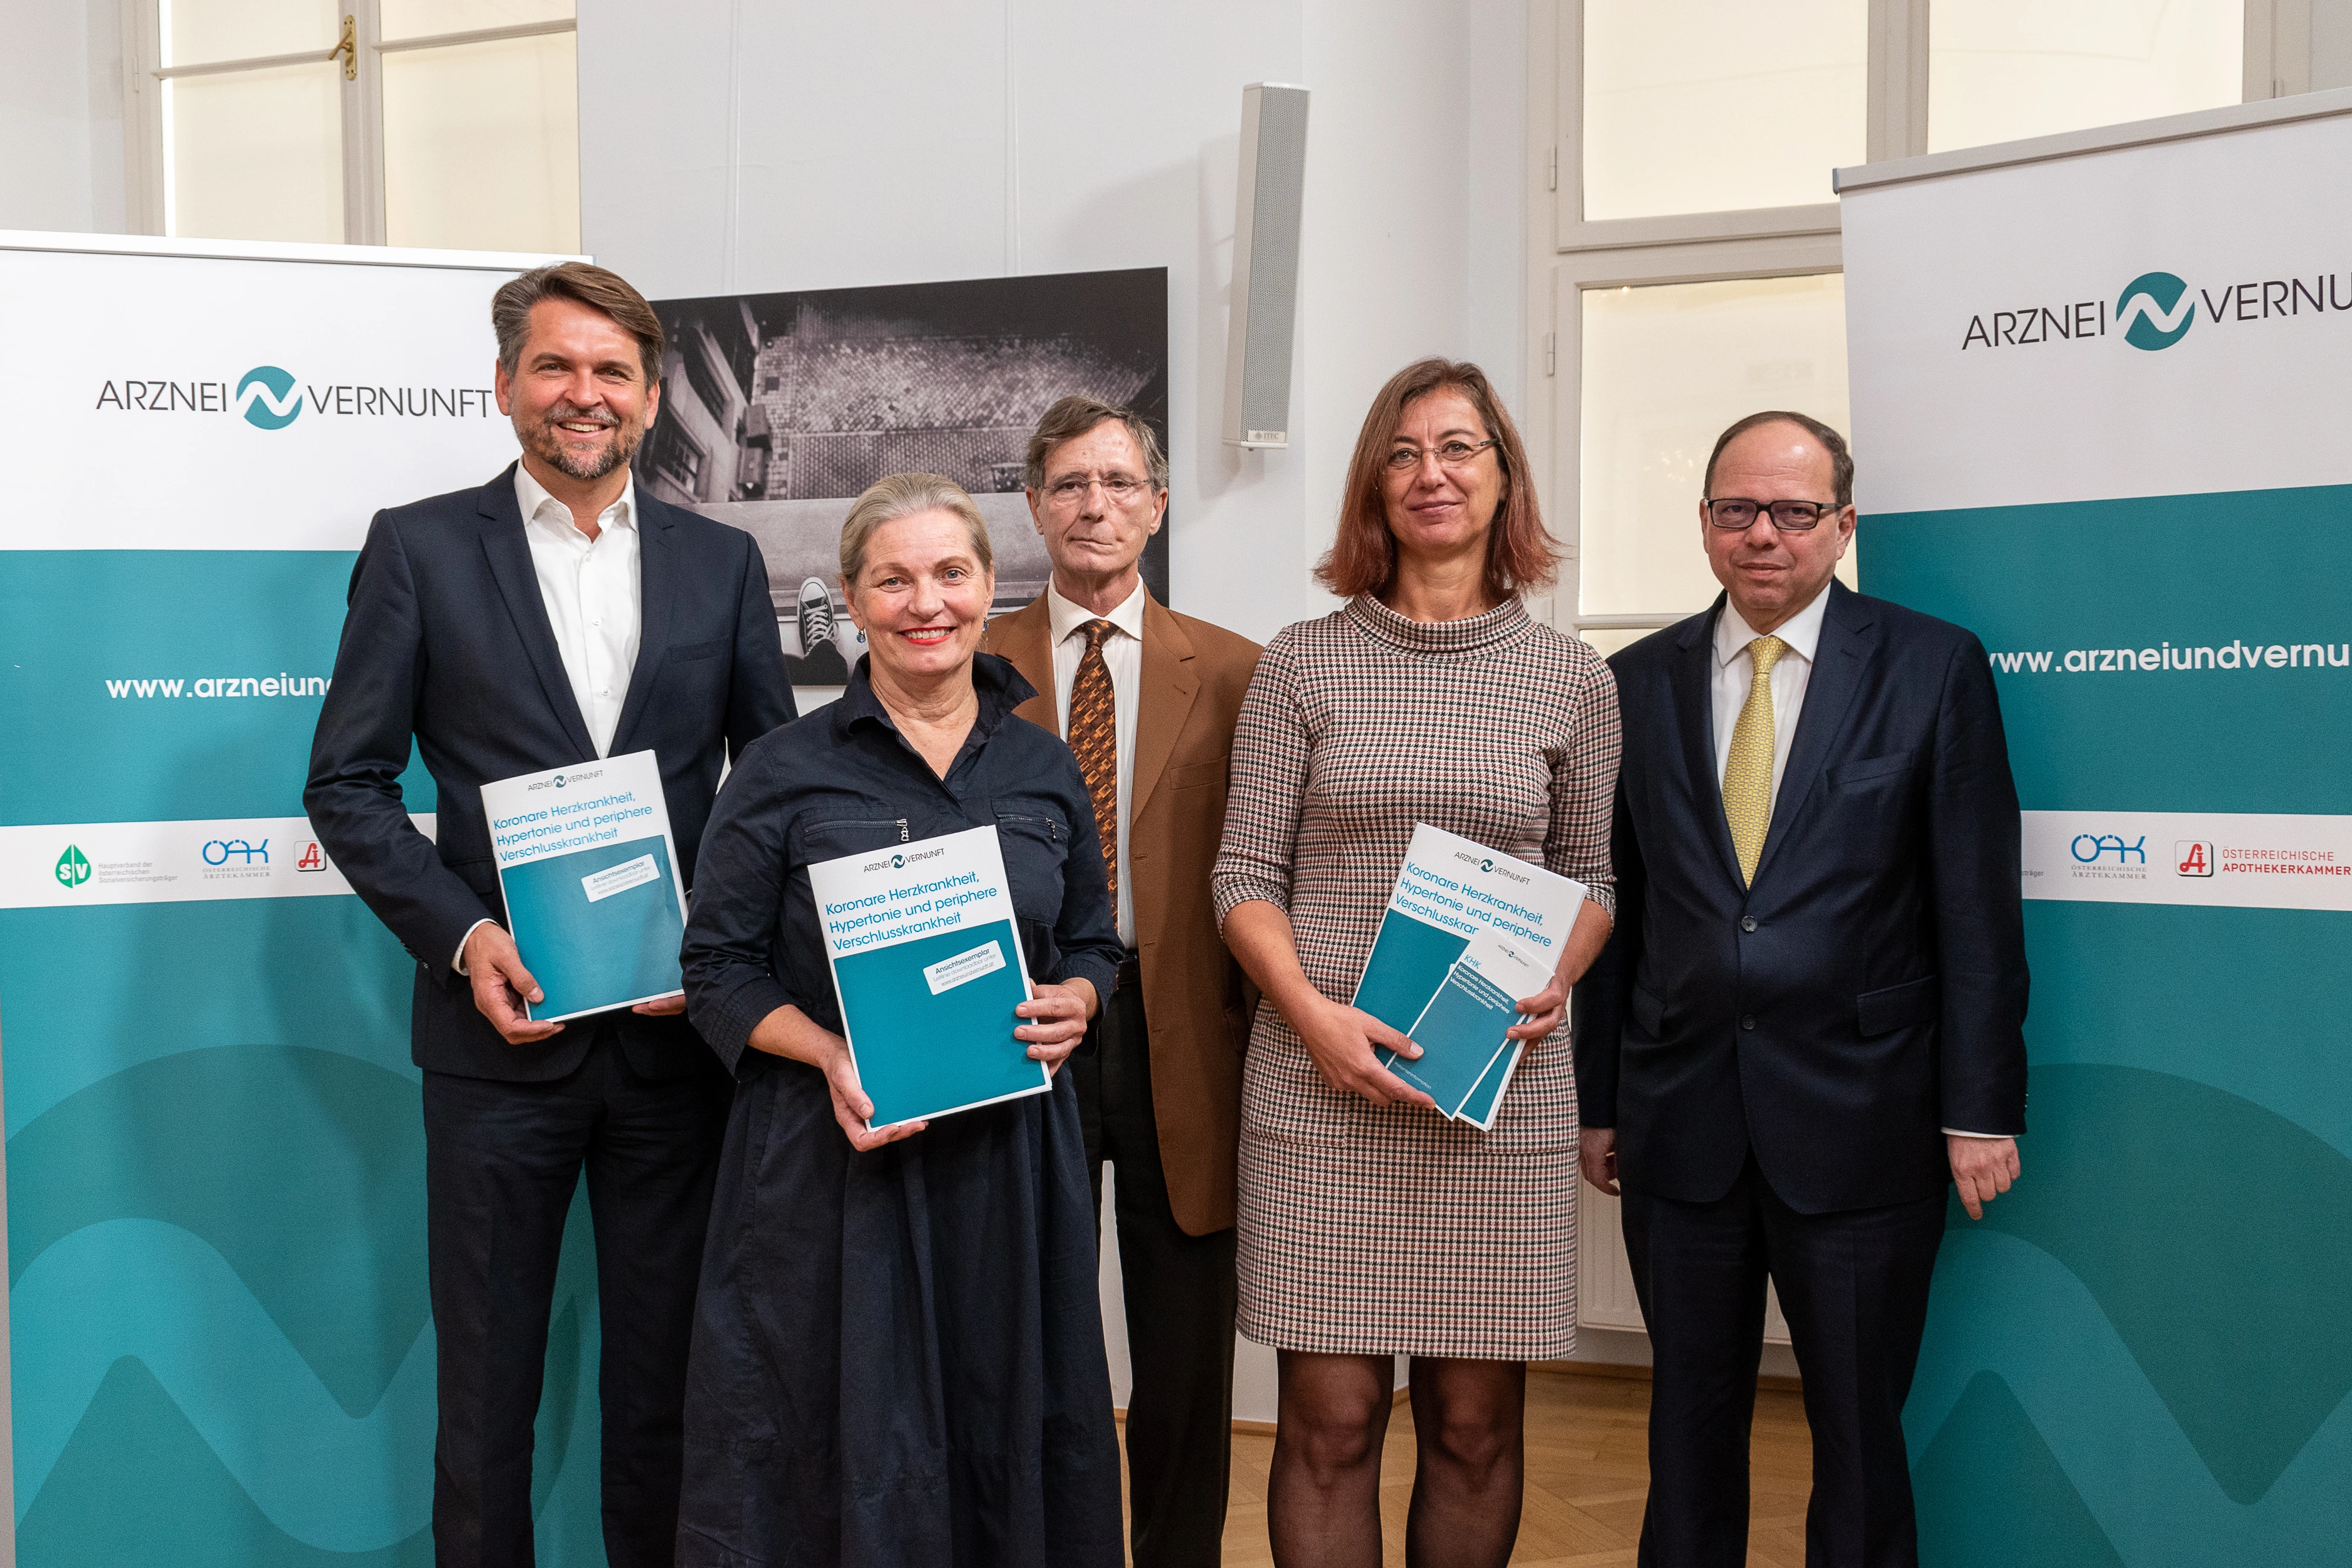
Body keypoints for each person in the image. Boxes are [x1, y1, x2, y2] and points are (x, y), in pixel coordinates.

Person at [304, 261, 797, 1566]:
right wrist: (465, 937)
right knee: (483, 1400)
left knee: (666, 1390)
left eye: (611, 372)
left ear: (646, 396)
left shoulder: (724, 562)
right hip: (495, 1052)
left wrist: (719, 956)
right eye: (556, 366)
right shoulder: (416, 548)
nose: (584, 394)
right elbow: (346, 785)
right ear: (509, 383)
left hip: (674, 1043)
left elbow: (775, 789)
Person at [1571, 410, 2029, 1567]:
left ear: (1842, 523)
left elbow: (1973, 905)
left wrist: (1977, 1105)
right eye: (1736, 510)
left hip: (1865, 1118)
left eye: (1790, 511)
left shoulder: (1930, 666)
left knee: (1858, 1438)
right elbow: (1609, 905)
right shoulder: (1632, 682)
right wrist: (1597, 1099)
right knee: (1685, 1430)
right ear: (1705, 524)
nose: (1761, 534)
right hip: (1678, 1127)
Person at [673, 473, 1126, 1567]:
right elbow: (716, 966)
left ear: (986, 585)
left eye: (951, 573)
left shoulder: (1041, 763)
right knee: (841, 1435)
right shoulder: (783, 769)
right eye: (894, 578)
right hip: (837, 1171)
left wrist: (1081, 998)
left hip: (1010, 1171)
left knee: (1008, 1425)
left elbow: (1094, 942)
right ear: (850, 598)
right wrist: (828, 1048)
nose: (927, 602)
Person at [1212, 359, 1619, 1568]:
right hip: (1317, 1088)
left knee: (1474, 1427)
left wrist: (1560, 969)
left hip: (1489, 1090)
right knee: (1328, 1426)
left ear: (1503, 480)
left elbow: (1595, 875)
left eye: (1457, 448)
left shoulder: (1571, 677)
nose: (1428, 473)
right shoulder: (1300, 663)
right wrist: (1312, 1017)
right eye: (1401, 452)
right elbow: (1241, 878)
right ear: (1370, 488)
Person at [980, 396, 1263, 1567]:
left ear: (1154, 504)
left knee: (1184, 1342)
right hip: (1019, 1027)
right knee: (1028, 1324)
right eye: (1067, 484)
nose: (1092, 506)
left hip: (1182, 1030)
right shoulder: (974, 660)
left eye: (1116, 483)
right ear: (1034, 504)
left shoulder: (1240, 670)